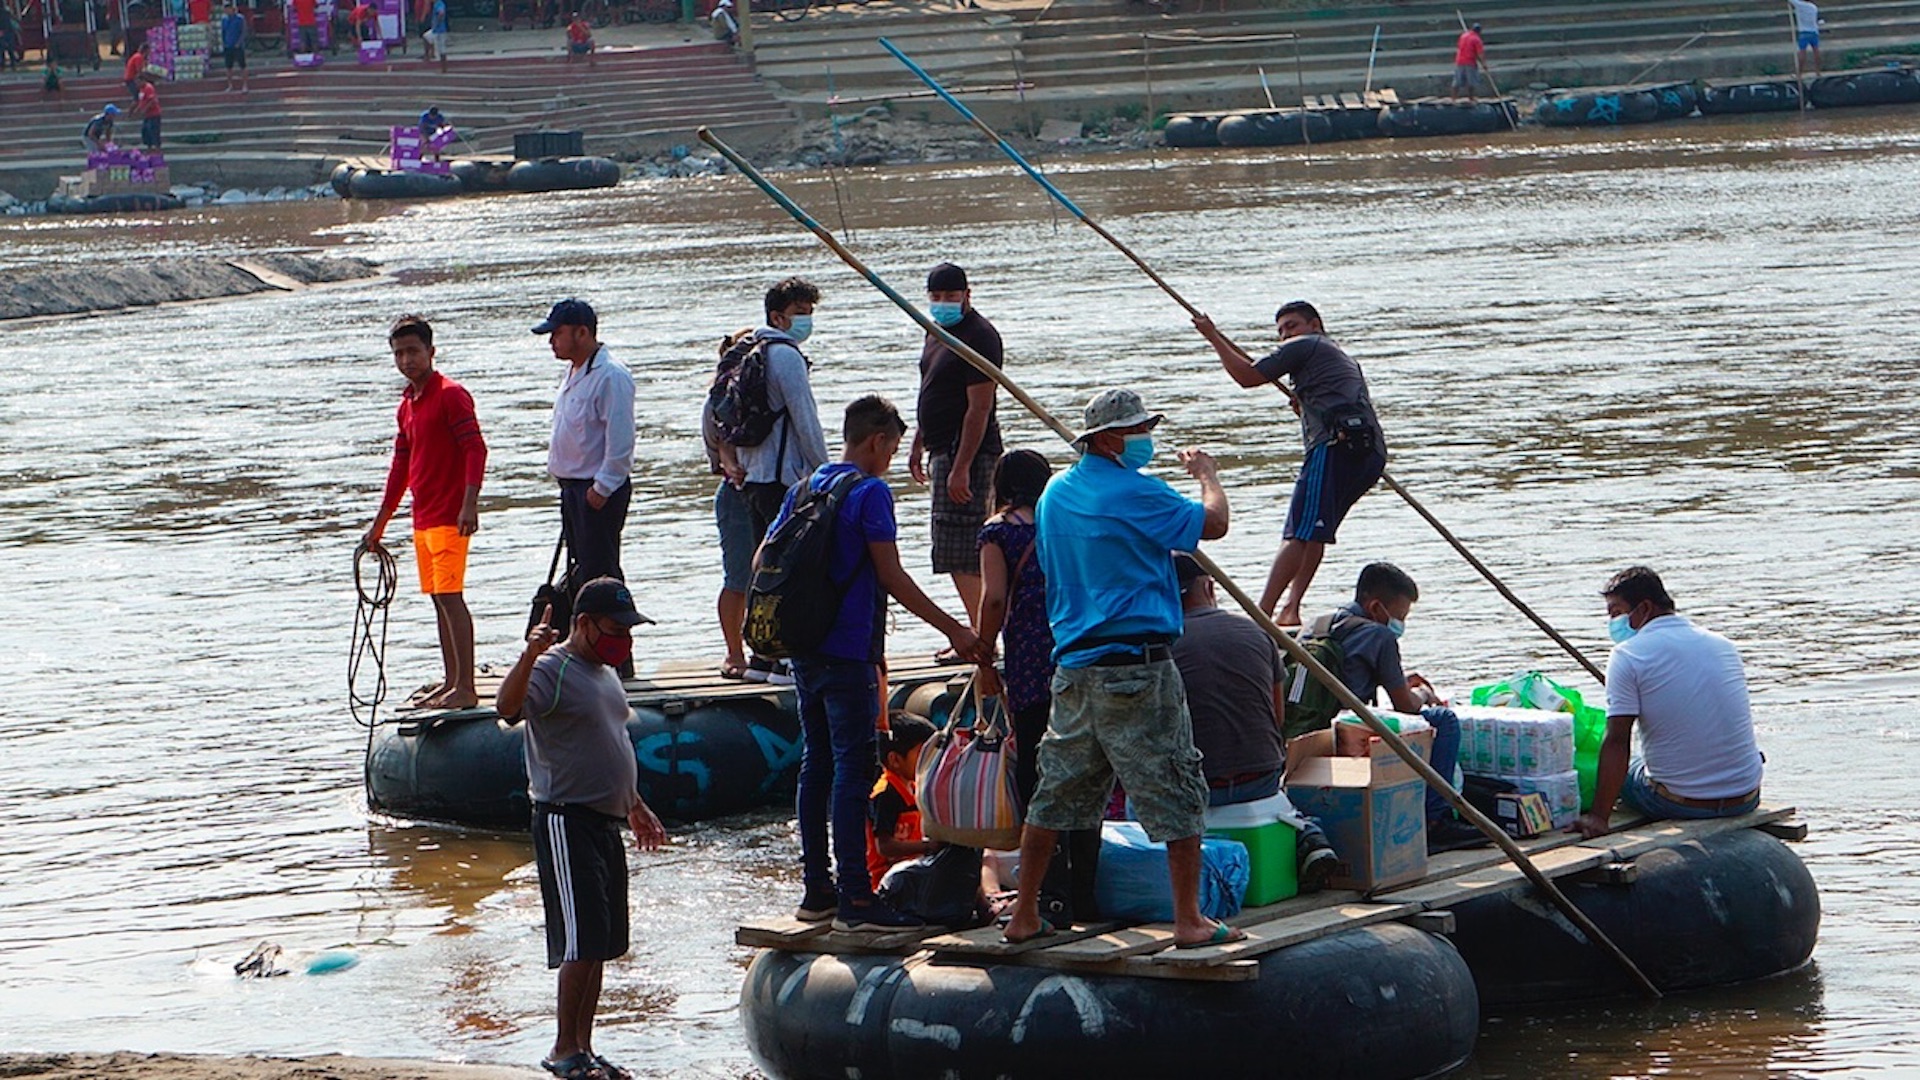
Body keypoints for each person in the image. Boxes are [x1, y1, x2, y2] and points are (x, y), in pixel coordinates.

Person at [1002, 388, 1246, 950]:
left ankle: (1024, 913)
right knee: (1177, 787)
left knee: (1055, 793)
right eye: (1137, 430)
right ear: (1109, 439)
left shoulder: (1055, 494)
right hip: (1135, 667)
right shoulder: (1136, 492)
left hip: (1075, 668)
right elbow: (1213, 524)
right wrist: (1207, 475)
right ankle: (1189, 919)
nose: (1145, 439)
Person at [775, 395, 987, 931]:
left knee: (815, 765)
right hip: (848, 650)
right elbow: (890, 575)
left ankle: (816, 890)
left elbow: (764, 559)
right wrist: (955, 629)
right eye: (892, 446)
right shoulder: (870, 494)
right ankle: (857, 900)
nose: (891, 456)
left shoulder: (806, 486)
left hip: (804, 647)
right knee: (854, 768)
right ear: (878, 441)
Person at [494, 578, 666, 1080]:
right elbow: (506, 709)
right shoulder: (552, 669)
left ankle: (585, 1049)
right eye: (615, 630)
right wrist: (528, 655)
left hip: (605, 819)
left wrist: (634, 804)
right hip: (565, 819)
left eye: (629, 630)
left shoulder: (604, 671)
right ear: (584, 624)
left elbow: (610, 740)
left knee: (604, 941)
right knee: (580, 940)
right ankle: (564, 1049)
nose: (624, 641)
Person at [1193, 299, 1387, 628]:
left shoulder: (1307, 344)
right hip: (1368, 452)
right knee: (1316, 531)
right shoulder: (1338, 357)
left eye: (1292, 326)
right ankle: (1290, 608)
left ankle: (1262, 614)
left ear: (1315, 325)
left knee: (1299, 531)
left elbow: (1248, 376)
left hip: (1334, 447)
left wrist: (1213, 336)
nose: (1286, 335)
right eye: (1281, 331)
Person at [975, 448, 1099, 922]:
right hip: (1077, 655)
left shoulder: (998, 530)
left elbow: (994, 598)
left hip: (1029, 667)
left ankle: (1049, 893)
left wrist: (983, 653)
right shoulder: (1066, 523)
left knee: (1037, 778)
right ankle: (1086, 896)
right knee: (1084, 777)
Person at [1169, 553, 1337, 890]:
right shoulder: (1257, 633)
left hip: (1200, 788)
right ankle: (1308, 834)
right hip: (1261, 777)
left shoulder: (1160, 646)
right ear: (1209, 586)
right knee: (1284, 800)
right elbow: (1278, 719)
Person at [1297, 562, 1480, 853]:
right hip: (1348, 731)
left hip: (1308, 729)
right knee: (1443, 719)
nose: (1400, 625)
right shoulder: (1379, 635)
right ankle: (1436, 821)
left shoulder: (1318, 624)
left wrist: (1399, 680)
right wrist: (1422, 693)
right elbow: (1406, 707)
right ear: (1376, 608)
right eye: (1400, 617)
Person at [1572, 567, 1764, 840]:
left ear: (1645, 608)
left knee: (1620, 765)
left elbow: (1617, 739)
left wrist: (1598, 818)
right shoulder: (1722, 645)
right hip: (1746, 795)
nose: (1613, 623)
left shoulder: (1627, 655)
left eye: (1616, 613)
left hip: (1679, 802)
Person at [362, 315, 488, 711]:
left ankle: (465, 687)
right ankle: (452, 681)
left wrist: (470, 503)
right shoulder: (407, 405)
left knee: (451, 597)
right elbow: (401, 467)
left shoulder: (451, 395)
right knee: (437, 598)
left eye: (413, 351)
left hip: (451, 514)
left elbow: (475, 449)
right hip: (423, 516)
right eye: (399, 353)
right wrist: (380, 522)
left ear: (431, 352)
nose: (406, 360)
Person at [727, 277, 830, 684]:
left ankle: (760, 656)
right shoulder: (785, 356)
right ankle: (786, 658)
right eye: (800, 314)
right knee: (790, 568)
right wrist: (826, 473)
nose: (806, 322)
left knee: (761, 566)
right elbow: (805, 419)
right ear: (778, 317)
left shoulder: (746, 351)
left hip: (752, 477)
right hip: (783, 480)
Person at [534, 298, 635, 671]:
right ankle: (588, 654)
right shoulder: (576, 372)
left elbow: (621, 440)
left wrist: (602, 488)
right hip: (573, 489)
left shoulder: (611, 375)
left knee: (602, 577)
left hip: (595, 491)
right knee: (581, 575)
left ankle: (617, 662)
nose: (552, 342)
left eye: (557, 333)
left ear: (582, 332)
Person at [908, 261, 1003, 632]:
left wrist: (962, 466)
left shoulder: (978, 335)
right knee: (951, 550)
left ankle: (981, 634)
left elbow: (979, 408)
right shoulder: (936, 331)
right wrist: (919, 442)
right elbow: (931, 389)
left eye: (950, 296)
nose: (943, 303)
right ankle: (976, 628)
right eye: (936, 297)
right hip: (940, 448)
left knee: (963, 549)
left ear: (967, 295)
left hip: (969, 452)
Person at [866, 713, 938, 890]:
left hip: (914, 870)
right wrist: (929, 847)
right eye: (922, 754)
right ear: (895, 760)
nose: (928, 762)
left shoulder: (915, 787)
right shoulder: (885, 793)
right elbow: (884, 847)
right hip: (889, 880)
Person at [1451, 21, 1485, 102]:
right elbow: (1480, 54)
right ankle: (1471, 98)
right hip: (1470, 62)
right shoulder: (1477, 39)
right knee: (1471, 81)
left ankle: (1453, 98)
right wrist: (1484, 64)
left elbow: (1460, 46)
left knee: (1457, 81)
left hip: (1459, 61)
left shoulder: (1463, 36)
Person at [220, 3, 249, 92]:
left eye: (228, 9)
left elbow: (244, 31)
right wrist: (224, 43)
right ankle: (230, 85)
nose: (227, 11)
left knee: (242, 66)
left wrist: (239, 42)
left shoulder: (240, 18)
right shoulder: (224, 19)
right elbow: (223, 32)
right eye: (225, 9)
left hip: (238, 46)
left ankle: (245, 85)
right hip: (228, 46)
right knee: (228, 67)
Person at [1791, 0, 1821, 77]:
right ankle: (1817, 71)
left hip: (1803, 32)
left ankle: (1799, 73)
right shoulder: (1814, 7)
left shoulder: (1800, 5)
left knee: (1802, 52)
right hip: (1814, 31)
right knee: (1816, 51)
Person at [133, 77, 161, 149]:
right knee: (145, 130)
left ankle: (157, 147)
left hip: (154, 114)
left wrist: (145, 109)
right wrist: (137, 109)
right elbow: (142, 101)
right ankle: (149, 146)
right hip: (147, 115)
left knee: (153, 130)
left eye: (138, 82)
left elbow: (152, 101)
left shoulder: (149, 88)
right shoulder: (141, 89)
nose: (137, 84)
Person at [423, 0, 448, 69]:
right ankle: (428, 54)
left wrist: (438, 23)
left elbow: (441, 13)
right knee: (426, 37)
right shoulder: (436, 4)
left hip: (439, 31)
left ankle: (444, 68)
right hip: (436, 30)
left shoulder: (439, 4)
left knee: (442, 49)